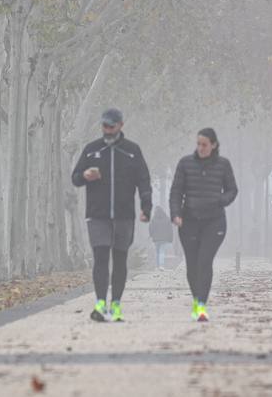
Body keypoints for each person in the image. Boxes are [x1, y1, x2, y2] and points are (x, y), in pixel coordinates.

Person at [71, 108, 152, 322]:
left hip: (125, 216)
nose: (107, 130)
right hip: (97, 215)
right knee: (100, 258)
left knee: (120, 259)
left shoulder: (132, 151)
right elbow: (75, 178)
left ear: (120, 125)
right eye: (104, 126)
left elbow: (144, 181)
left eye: (111, 126)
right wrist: (85, 175)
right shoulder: (91, 150)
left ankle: (116, 304)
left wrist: (146, 206)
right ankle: (100, 305)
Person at [169, 127, 238, 322]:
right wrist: (175, 214)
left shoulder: (223, 165)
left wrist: (220, 200)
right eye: (198, 144)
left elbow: (232, 190)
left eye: (204, 145)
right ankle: (196, 299)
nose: (200, 148)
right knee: (192, 265)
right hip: (189, 221)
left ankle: (201, 306)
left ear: (214, 145)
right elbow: (176, 191)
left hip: (214, 222)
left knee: (204, 261)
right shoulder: (185, 163)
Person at [149, 189, 174, 268]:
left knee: (157, 251)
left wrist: (151, 235)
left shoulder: (154, 219)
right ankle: (161, 265)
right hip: (164, 238)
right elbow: (170, 229)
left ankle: (158, 265)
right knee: (162, 251)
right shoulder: (166, 219)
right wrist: (170, 238)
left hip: (156, 238)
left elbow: (151, 228)